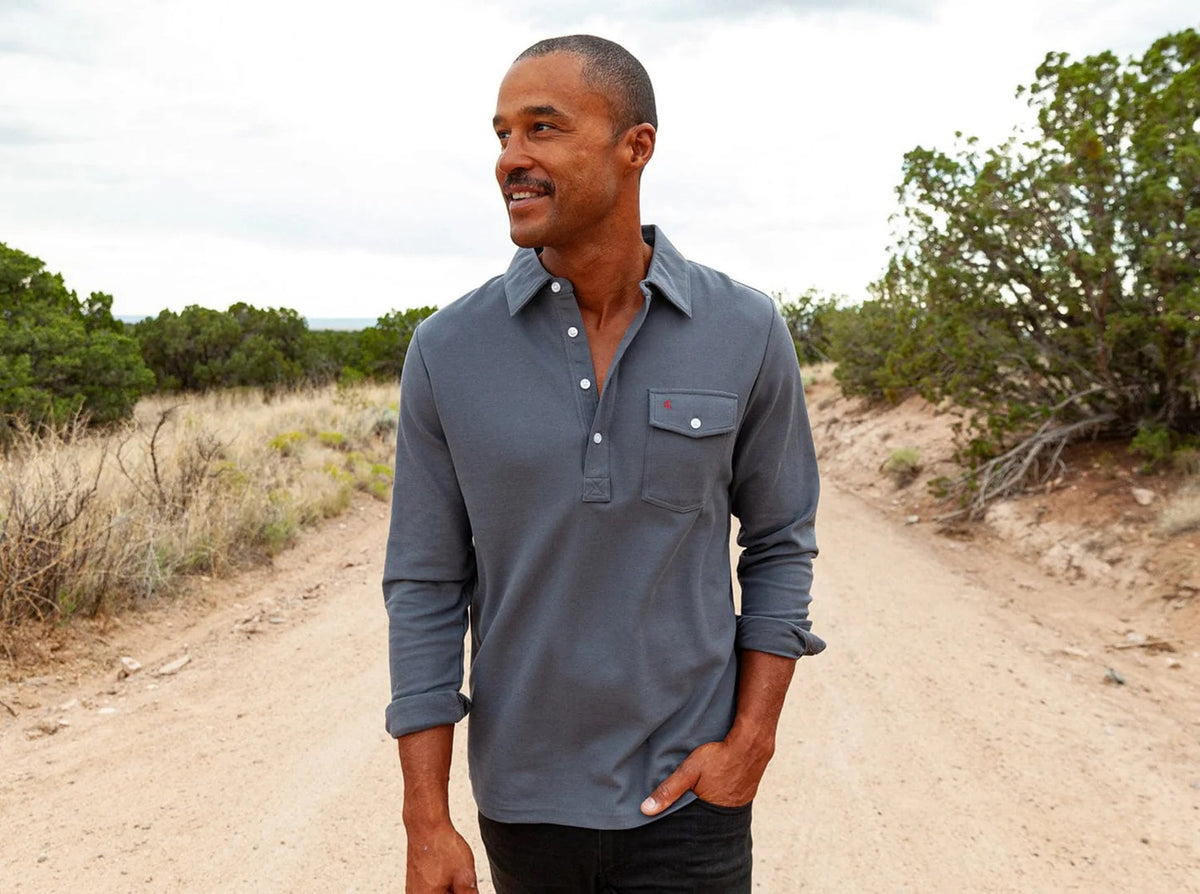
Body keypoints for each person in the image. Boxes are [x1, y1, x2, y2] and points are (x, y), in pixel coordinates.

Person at [383, 34, 824, 894]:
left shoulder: (745, 330)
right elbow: (426, 586)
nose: (512, 158)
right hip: (525, 802)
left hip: (691, 800)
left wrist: (751, 742)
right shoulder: (446, 350)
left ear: (636, 146)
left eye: (542, 128)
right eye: (502, 134)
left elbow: (780, 541)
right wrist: (425, 820)